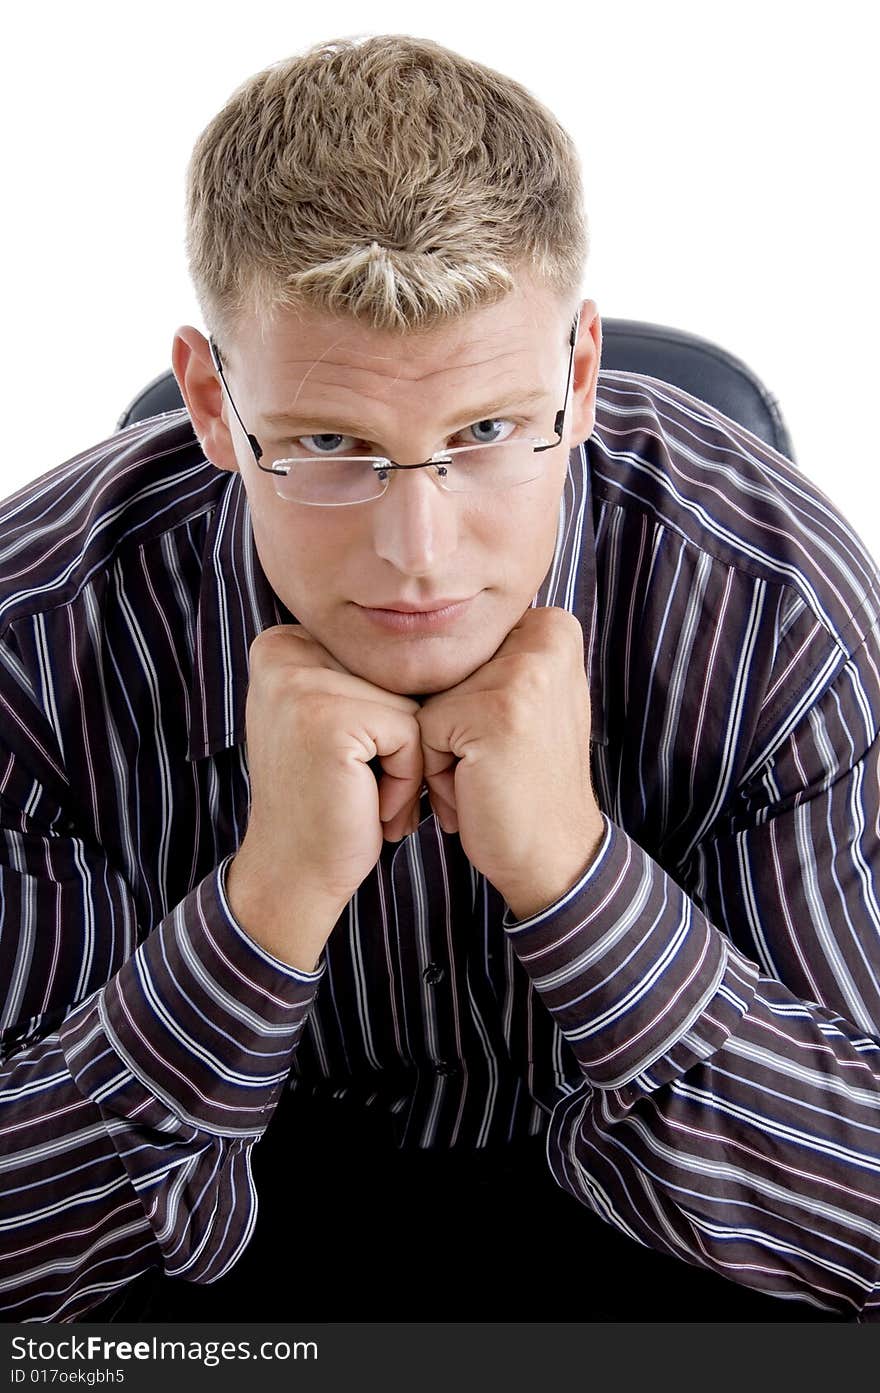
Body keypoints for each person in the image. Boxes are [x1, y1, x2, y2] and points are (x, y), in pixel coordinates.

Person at [2, 33, 879, 1326]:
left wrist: (580, 882)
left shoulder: (770, 603)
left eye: (482, 434)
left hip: (664, 1281)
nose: (419, 556)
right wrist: (266, 907)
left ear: (579, 377)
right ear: (209, 400)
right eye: (331, 444)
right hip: (218, 1312)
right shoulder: (35, 637)